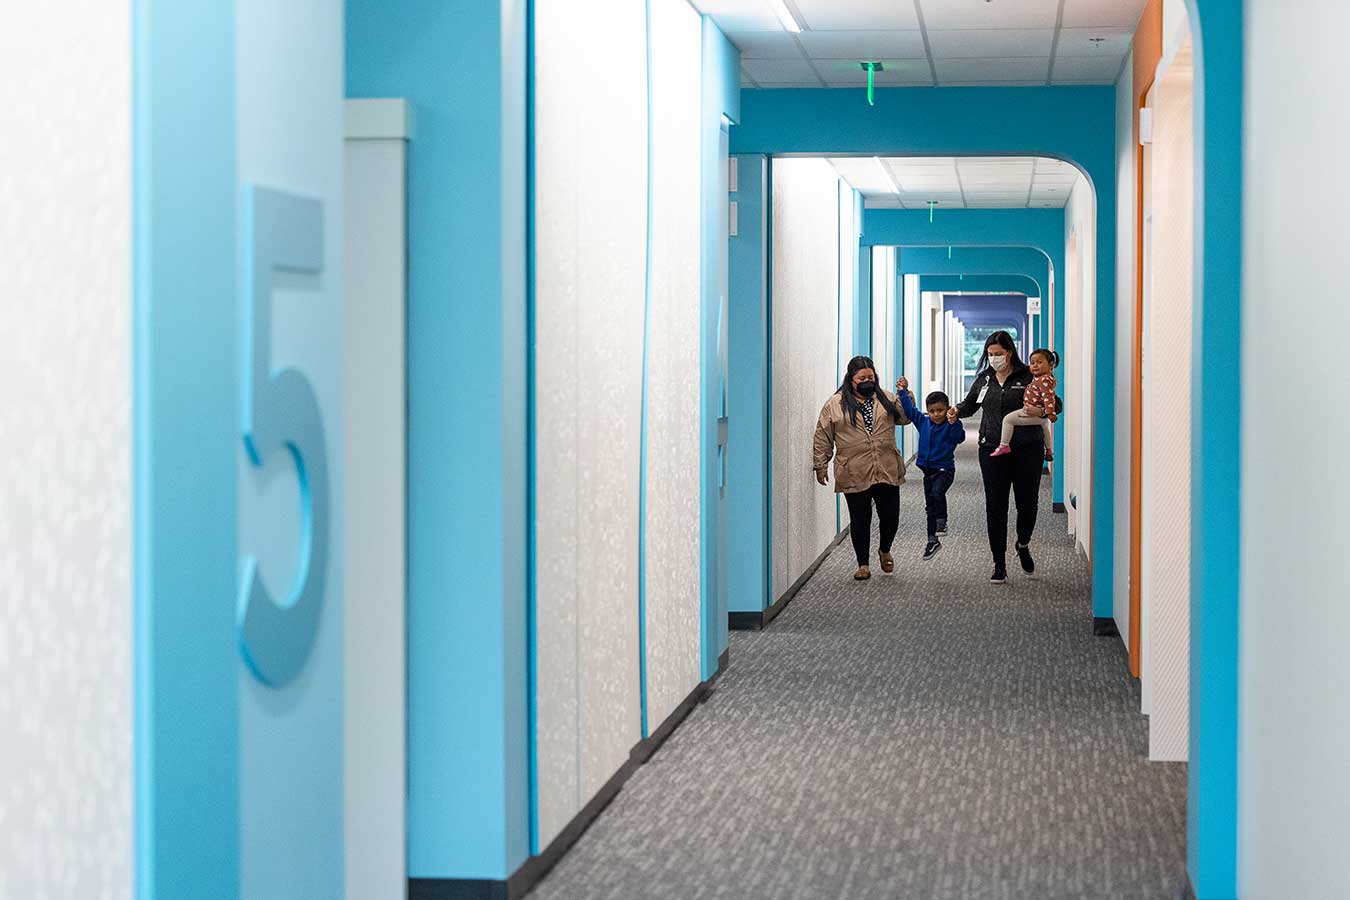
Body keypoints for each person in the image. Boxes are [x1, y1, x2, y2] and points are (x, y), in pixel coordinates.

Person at [949, 331, 1060, 585]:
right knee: (995, 506)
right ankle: (999, 563)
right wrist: (956, 411)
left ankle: (1022, 543)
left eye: (998, 353)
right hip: (991, 449)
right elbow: (970, 404)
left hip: (1026, 448)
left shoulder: (1028, 374)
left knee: (1028, 504)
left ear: (1009, 352)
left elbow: (1057, 402)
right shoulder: (984, 379)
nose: (994, 358)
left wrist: (1042, 409)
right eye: (990, 354)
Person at [814, 355, 910, 581]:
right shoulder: (835, 404)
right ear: (851, 379)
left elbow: (905, 418)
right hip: (853, 469)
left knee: (890, 516)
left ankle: (884, 549)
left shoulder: (886, 397)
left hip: (886, 466)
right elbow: (822, 434)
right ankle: (863, 564)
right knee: (860, 519)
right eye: (862, 378)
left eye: (871, 376)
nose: (868, 380)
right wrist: (821, 464)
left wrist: (906, 395)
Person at [895, 377, 965, 561]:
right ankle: (932, 540)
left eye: (940, 410)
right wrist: (903, 391)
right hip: (927, 470)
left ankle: (942, 522)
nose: (936, 414)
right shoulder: (923, 421)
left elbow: (960, 438)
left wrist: (953, 421)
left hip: (945, 469)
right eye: (932, 411)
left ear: (947, 408)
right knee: (929, 507)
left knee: (936, 493)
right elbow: (910, 411)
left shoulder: (950, 425)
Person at [991, 348, 1059, 461]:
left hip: (1030, 411)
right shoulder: (1040, 378)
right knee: (1044, 425)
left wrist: (1048, 412)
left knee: (1008, 420)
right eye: (1032, 363)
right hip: (1038, 414)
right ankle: (1049, 450)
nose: (1035, 366)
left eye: (1040, 362)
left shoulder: (1044, 380)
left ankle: (1004, 445)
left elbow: (1049, 398)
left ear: (1050, 364)